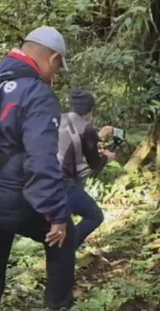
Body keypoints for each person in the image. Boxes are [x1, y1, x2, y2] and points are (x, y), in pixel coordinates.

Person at [0, 27, 76, 311]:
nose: (54, 76)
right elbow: (42, 160)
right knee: (63, 232)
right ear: (53, 58)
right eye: (57, 68)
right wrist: (55, 213)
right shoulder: (36, 93)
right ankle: (58, 306)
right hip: (7, 199)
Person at [58, 89, 117, 248]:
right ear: (90, 110)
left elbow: (73, 143)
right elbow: (95, 164)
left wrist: (98, 136)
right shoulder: (86, 128)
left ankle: (65, 246)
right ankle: (67, 249)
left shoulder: (61, 119)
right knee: (95, 216)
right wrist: (108, 157)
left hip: (44, 179)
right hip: (63, 184)